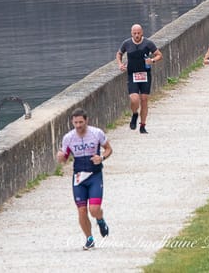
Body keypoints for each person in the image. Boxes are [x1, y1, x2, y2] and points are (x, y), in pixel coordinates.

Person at [57, 108, 112, 250]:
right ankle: (89, 238)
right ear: (72, 122)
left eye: (81, 122)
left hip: (94, 175)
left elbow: (108, 149)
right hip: (79, 177)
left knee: (94, 209)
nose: (78, 125)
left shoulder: (96, 133)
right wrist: (61, 157)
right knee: (81, 210)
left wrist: (102, 158)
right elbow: (64, 157)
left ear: (86, 120)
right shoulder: (68, 138)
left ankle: (100, 219)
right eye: (75, 122)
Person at [117, 24, 163, 134]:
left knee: (144, 100)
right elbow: (119, 54)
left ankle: (142, 125)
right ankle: (134, 114)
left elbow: (159, 55)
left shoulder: (148, 43)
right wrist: (120, 64)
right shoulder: (126, 43)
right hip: (132, 75)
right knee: (134, 99)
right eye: (134, 33)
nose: (136, 35)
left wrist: (152, 60)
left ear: (142, 32)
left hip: (145, 75)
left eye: (138, 33)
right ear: (131, 33)